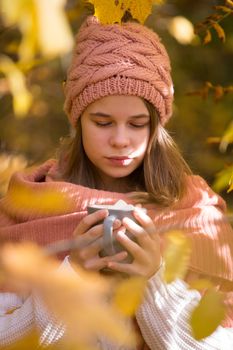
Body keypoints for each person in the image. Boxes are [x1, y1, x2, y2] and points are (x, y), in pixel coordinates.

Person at [0, 14, 233, 350]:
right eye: (103, 122)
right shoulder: (29, 205)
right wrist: (72, 276)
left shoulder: (197, 214)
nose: (121, 140)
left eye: (137, 124)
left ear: (157, 126)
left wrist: (154, 279)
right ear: (78, 119)